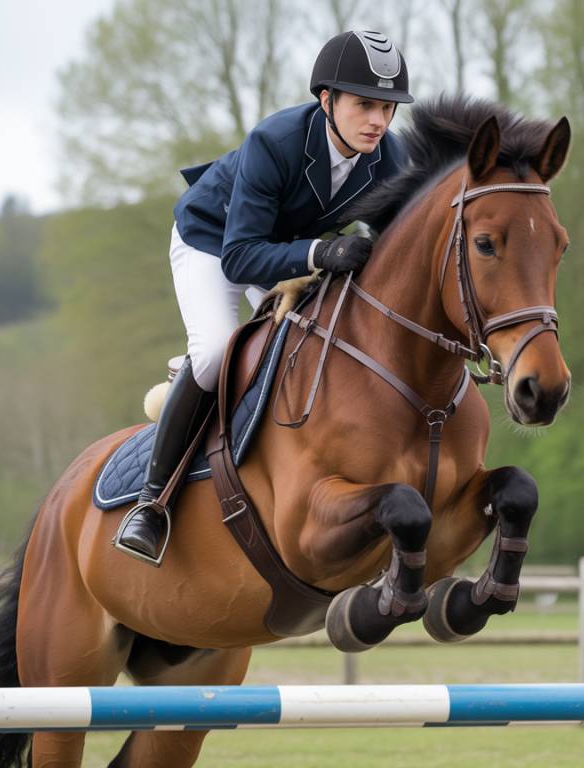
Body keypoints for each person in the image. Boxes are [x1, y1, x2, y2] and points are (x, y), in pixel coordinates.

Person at [115, 30, 413, 565]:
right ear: (328, 101)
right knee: (214, 353)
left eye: (387, 108)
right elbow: (240, 259)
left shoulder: (389, 158)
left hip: (286, 252)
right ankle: (151, 503)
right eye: (365, 104)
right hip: (214, 242)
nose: (378, 120)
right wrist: (320, 255)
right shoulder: (274, 141)